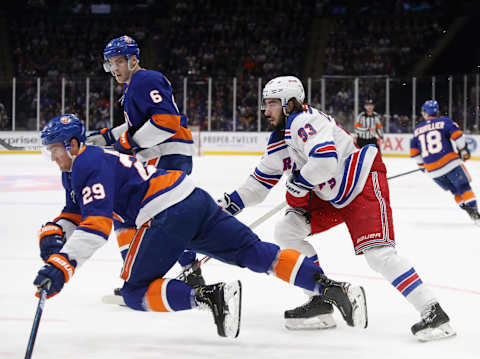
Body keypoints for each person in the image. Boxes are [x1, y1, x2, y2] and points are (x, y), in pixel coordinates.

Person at [34, 113, 368, 338]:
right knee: (254, 252)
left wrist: (63, 266)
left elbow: (96, 225)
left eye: (55, 150)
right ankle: (331, 288)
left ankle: (210, 297)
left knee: (135, 292)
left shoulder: (85, 164)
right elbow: (74, 212)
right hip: (191, 196)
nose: (53, 158)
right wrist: (55, 233)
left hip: (163, 213)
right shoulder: (87, 164)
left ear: (74, 145)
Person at [217, 76, 455, 341]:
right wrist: (226, 206)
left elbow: (325, 162)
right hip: (329, 194)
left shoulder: (305, 121)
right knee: (287, 230)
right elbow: (257, 187)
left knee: (378, 255)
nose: (265, 110)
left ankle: (433, 312)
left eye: (272, 103)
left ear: (290, 104)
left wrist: (301, 182)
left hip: (360, 182)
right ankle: (320, 299)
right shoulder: (280, 139)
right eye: (265, 103)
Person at [85, 36, 204, 288]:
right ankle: (189, 271)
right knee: (165, 216)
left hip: (166, 154)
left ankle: (137, 275)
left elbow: (166, 122)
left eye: (119, 61)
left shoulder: (145, 79)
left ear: (133, 60)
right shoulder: (133, 85)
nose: (114, 68)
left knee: (127, 210)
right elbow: (135, 126)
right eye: (110, 63)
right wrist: (107, 137)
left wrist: (127, 143)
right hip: (167, 154)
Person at [410, 100, 479, 225]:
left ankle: (469, 212)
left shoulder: (417, 129)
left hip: (433, 171)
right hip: (450, 164)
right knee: (464, 187)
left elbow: (415, 153)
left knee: (455, 191)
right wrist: (463, 150)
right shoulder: (445, 121)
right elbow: (457, 136)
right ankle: (475, 215)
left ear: (425, 113)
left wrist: (422, 167)